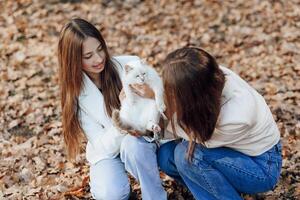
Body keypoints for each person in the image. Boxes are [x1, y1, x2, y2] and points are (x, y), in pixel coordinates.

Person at [57, 18, 167, 200]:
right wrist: (122, 120)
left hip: (141, 142)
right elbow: (102, 145)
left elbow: (163, 107)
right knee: (110, 194)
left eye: (100, 49)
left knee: (132, 146)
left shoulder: (131, 66)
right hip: (108, 150)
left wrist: (150, 95)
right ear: (72, 59)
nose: (99, 59)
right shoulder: (75, 94)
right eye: (88, 56)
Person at [157, 47, 282, 200]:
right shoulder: (205, 76)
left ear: (191, 96)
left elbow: (203, 139)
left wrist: (156, 122)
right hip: (230, 152)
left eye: (172, 91)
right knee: (165, 156)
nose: (167, 94)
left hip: (262, 166)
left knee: (188, 156)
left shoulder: (238, 114)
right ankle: (215, 192)